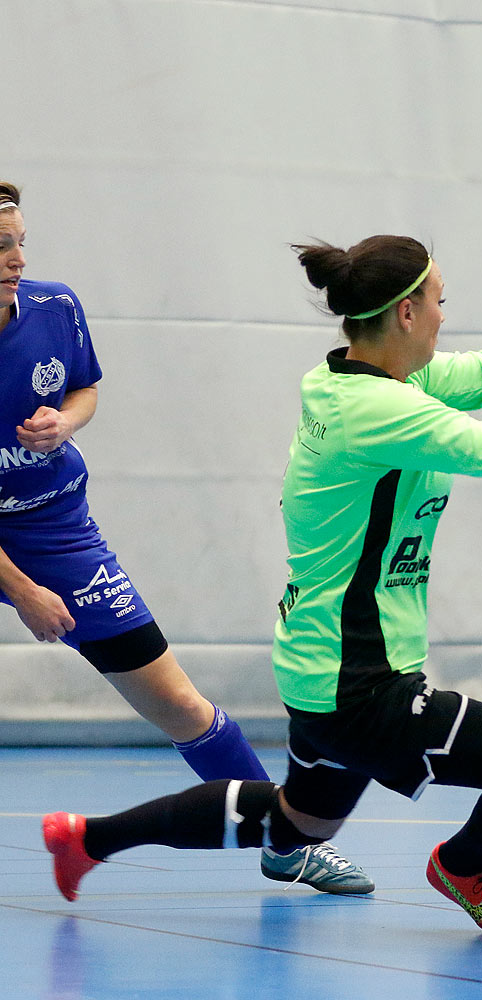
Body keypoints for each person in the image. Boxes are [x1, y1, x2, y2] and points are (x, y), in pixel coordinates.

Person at [41, 234, 482, 934]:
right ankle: (465, 867)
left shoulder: (359, 381)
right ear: (405, 314)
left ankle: (85, 839)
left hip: (317, 665)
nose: (441, 317)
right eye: (438, 302)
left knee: (292, 820)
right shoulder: (378, 411)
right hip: (363, 681)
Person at [0, 182, 369, 893]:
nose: (15, 259)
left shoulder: (55, 306)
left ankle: (286, 842)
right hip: (18, 558)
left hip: (55, 528)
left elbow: (85, 390)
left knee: (176, 702)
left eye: (20, 243)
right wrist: (24, 592)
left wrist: (66, 424)